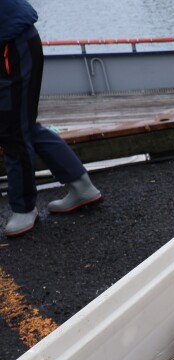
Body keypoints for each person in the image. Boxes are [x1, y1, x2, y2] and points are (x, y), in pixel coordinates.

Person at [1, 0, 103, 237]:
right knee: (24, 126)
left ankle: (24, 209)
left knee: (14, 132)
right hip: (16, 41)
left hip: (12, 47)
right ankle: (81, 186)